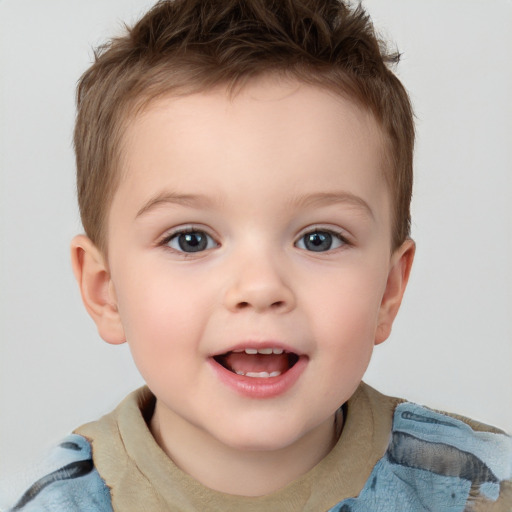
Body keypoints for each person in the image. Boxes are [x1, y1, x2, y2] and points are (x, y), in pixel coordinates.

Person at [4, 0, 511, 510]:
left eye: (319, 238)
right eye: (191, 239)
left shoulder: (484, 488)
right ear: (105, 289)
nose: (260, 287)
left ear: (388, 289)